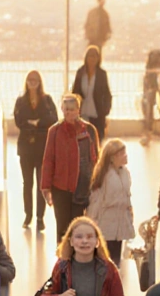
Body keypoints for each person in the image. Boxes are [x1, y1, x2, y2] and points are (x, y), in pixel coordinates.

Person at [41, 94, 100, 237]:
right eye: (66, 109)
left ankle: (77, 256)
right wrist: (45, 187)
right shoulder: (54, 131)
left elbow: (96, 159)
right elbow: (49, 160)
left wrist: (97, 184)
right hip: (60, 187)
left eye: (72, 109)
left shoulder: (89, 130)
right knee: (62, 227)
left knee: (78, 225)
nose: (69, 112)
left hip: (82, 186)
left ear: (78, 110)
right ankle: (63, 256)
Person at [14, 70, 57, 231]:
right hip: (26, 147)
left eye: (35, 80)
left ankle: (40, 217)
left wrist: (37, 123)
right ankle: (28, 215)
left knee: (41, 184)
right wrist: (31, 124)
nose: (32, 82)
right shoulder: (21, 101)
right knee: (27, 183)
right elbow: (19, 120)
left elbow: (53, 118)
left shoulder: (47, 100)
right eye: (30, 80)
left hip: (42, 148)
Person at [85, 138, 134, 262]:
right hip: (106, 222)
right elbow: (96, 200)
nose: (125, 156)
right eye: (121, 153)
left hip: (121, 221)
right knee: (105, 258)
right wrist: (91, 223)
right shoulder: (104, 175)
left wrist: (129, 212)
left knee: (117, 259)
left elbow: (127, 195)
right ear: (112, 157)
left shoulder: (125, 173)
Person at [71, 45, 112, 144]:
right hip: (82, 113)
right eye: (90, 56)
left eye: (95, 56)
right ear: (86, 58)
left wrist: (105, 110)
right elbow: (75, 92)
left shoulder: (102, 74)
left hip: (97, 114)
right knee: (81, 143)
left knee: (96, 143)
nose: (92, 59)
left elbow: (107, 94)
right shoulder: (80, 73)